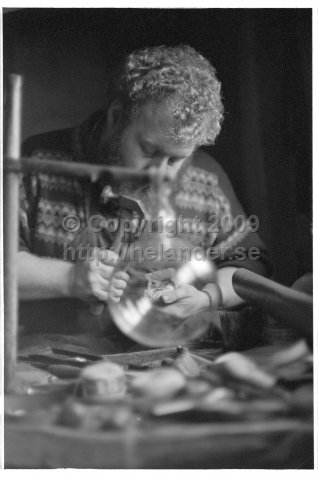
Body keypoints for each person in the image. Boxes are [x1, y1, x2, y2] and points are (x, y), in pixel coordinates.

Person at [18, 45, 272, 347]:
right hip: (48, 364)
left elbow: (250, 265)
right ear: (116, 118)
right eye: (150, 151)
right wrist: (69, 278)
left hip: (164, 366)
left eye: (176, 160)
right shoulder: (37, 161)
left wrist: (208, 296)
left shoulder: (206, 178)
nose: (160, 174)